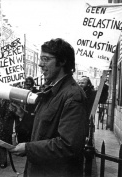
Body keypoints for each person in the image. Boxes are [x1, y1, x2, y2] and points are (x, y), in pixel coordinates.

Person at [10, 38, 87, 177]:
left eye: (46, 59)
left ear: (62, 61)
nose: (40, 64)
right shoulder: (53, 90)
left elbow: (68, 145)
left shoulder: (73, 96)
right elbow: (45, 128)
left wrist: (28, 149)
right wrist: (24, 116)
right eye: (40, 59)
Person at [0, 99, 15, 168]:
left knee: (2, 143)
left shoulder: (7, 102)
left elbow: (8, 114)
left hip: (4, 125)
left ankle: (3, 162)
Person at [15, 76, 38, 143]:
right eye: (26, 84)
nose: (28, 86)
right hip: (20, 124)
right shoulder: (20, 94)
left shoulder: (35, 95)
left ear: (32, 85)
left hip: (30, 124)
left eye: (30, 84)